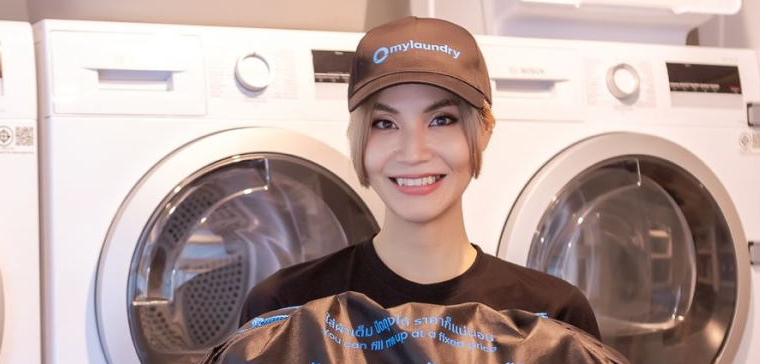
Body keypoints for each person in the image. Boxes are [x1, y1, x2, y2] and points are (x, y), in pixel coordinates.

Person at [238, 16, 600, 339]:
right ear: (358, 138)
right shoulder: (285, 309)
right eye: (385, 123)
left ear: (485, 130)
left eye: (441, 119)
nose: (413, 152)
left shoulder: (554, 317)